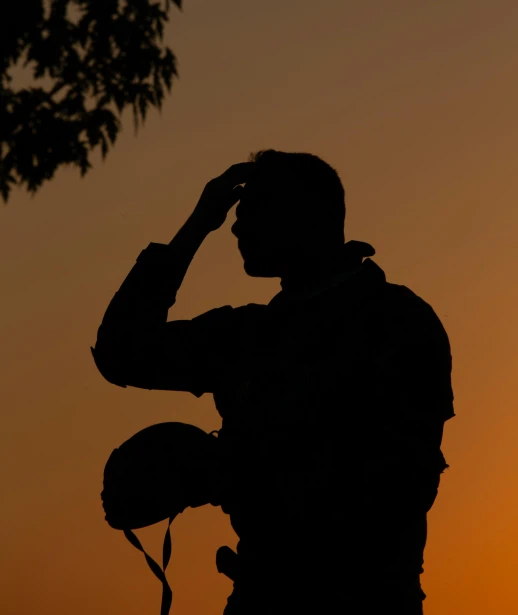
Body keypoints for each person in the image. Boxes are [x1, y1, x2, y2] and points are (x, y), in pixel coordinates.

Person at [91, 149, 454, 614]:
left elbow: (400, 485)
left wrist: (231, 472)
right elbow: (123, 353)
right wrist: (200, 221)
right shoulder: (248, 335)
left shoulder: (396, 321)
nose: (236, 228)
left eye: (253, 211)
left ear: (308, 217)